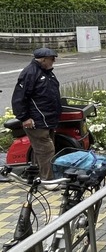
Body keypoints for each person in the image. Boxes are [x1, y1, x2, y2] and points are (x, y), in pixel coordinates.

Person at [11, 48, 62, 186]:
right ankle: (48, 180)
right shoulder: (30, 73)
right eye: (52, 58)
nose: (54, 61)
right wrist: (24, 118)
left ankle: (39, 175)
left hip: (48, 119)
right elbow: (19, 97)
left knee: (44, 150)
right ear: (43, 59)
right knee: (46, 150)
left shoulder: (47, 73)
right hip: (36, 121)